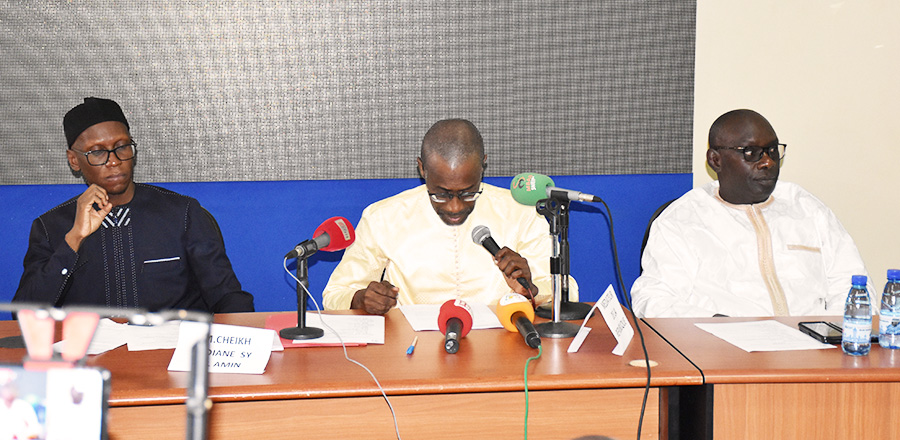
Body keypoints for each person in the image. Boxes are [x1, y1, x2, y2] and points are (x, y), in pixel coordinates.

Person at [13, 97, 254, 313]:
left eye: (122, 146)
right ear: (74, 160)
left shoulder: (182, 214)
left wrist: (242, 342)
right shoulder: (50, 227)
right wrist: (74, 240)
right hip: (91, 356)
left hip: (169, 354)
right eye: (97, 152)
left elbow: (228, 297)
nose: (114, 161)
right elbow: (24, 314)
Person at [631, 109, 869, 318]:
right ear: (715, 160)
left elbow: (852, 284)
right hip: (727, 356)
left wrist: (836, 333)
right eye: (751, 152)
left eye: (772, 151)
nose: (768, 162)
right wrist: (719, 326)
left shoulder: (806, 208)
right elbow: (653, 300)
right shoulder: (682, 220)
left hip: (815, 354)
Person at [322, 119, 576, 314]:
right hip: (410, 357)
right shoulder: (383, 217)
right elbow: (335, 294)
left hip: (502, 352)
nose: (455, 207)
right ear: (422, 168)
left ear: (482, 165)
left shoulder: (519, 212)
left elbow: (568, 293)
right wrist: (361, 299)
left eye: (468, 193)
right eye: (441, 194)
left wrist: (530, 288)